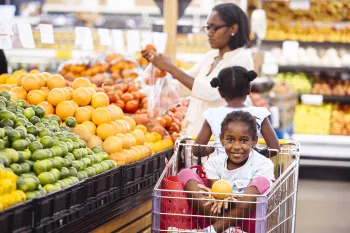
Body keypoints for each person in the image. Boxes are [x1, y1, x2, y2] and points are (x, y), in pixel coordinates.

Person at [142, 3, 253, 136]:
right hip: (194, 137)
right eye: (208, 27)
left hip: (219, 141)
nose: (209, 33)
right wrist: (159, 72)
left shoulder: (241, 59)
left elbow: (211, 92)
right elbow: (182, 88)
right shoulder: (210, 57)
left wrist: (170, 67)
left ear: (233, 28)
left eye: (214, 28)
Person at [178, 111, 275, 233]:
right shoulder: (214, 163)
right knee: (185, 173)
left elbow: (249, 200)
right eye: (230, 140)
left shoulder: (263, 164)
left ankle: (211, 231)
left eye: (244, 141)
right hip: (218, 212)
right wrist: (222, 198)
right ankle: (227, 229)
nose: (236, 146)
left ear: (254, 141)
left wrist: (233, 200)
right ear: (222, 140)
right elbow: (217, 198)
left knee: (260, 183)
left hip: (249, 221)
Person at [195, 66, 280, 157]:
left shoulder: (212, 114)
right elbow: (274, 148)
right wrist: (255, 157)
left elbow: (197, 150)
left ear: (220, 92)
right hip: (252, 170)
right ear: (249, 89)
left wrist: (215, 147)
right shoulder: (260, 113)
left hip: (220, 170)